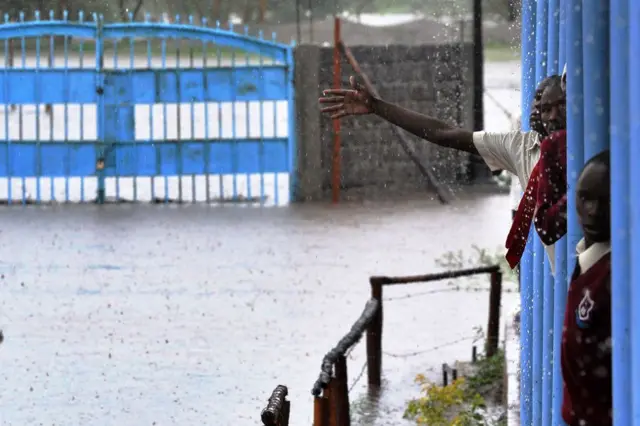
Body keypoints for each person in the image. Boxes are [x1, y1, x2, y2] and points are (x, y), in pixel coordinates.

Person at [319, 75, 566, 269]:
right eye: (545, 109)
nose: (552, 117)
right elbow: (443, 134)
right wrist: (376, 107)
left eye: (561, 106)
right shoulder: (522, 148)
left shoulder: (586, 147)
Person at [561, 150, 611, 426]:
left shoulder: (618, 274)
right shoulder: (586, 257)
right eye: (585, 198)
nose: (593, 211)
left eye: (607, 200)